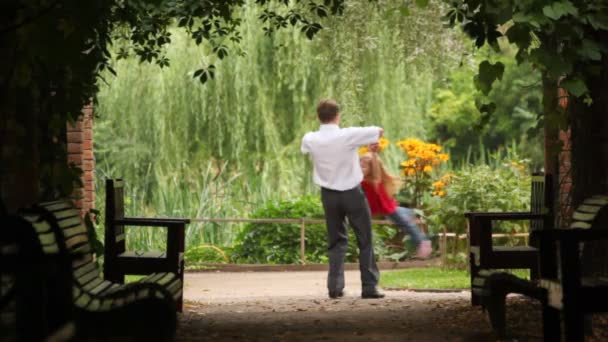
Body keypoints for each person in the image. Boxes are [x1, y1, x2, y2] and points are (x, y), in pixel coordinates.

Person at [301, 99, 385, 299]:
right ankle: (369, 287)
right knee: (364, 238)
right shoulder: (348, 135)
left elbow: (310, 151)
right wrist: (371, 143)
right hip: (352, 193)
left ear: (318, 117)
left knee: (336, 240)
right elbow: (378, 130)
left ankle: (335, 287)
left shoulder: (310, 138)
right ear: (338, 116)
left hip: (328, 195)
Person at [359, 151, 432, 258]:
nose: (360, 169)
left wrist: (373, 153)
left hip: (388, 208)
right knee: (401, 218)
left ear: (373, 169)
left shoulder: (375, 181)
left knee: (405, 224)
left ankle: (423, 243)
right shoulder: (362, 180)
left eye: (363, 167)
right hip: (384, 208)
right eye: (359, 166)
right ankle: (407, 212)